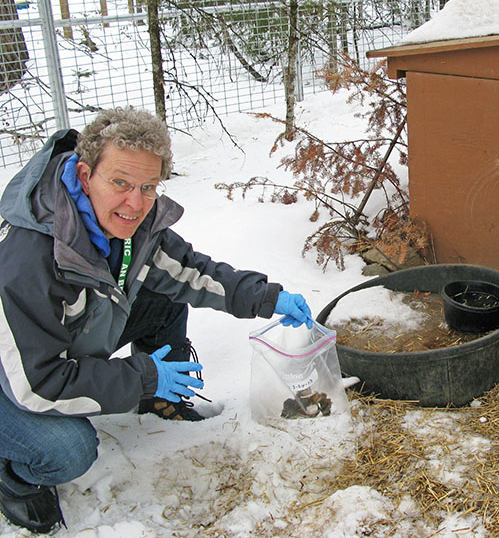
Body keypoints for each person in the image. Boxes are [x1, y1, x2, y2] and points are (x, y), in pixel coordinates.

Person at [0, 107, 314, 533]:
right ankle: (14, 478)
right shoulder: (28, 260)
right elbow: (36, 385)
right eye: (120, 183)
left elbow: (189, 272)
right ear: (85, 174)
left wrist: (268, 298)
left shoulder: (129, 223)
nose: (136, 203)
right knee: (68, 451)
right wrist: (142, 377)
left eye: (148, 187)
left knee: (163, 296)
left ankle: (159, 404)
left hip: (57, 345)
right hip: (15, 376)